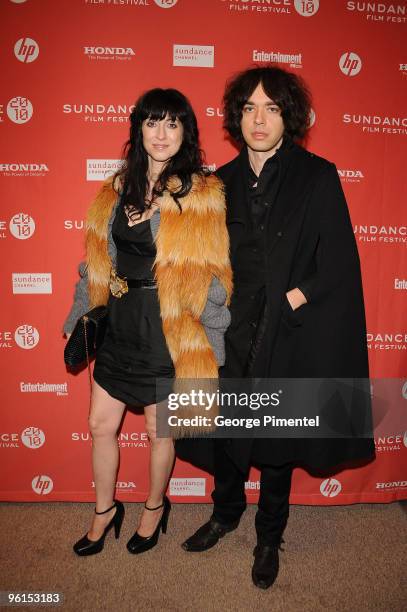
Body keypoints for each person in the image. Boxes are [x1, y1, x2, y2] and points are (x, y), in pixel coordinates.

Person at [182, 66, 375, 589]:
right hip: (228, 329)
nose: (258, 119)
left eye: (270, 108)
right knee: (224, 429)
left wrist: (294, 297)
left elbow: (337, 263)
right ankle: (225, 514)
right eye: (248, 108)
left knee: (274, 439)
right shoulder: (217, 184)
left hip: (287, 327)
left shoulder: (318, 175)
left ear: (288, 115)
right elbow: (198, 260)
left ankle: (270, 535)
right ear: (236, 118)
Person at [64, 88, 232, 557]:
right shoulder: (117, 188)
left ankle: (154, 508)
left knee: (160, 429)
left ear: (186, 133)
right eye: (152, 122)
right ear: (139, 129)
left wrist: (165, 211)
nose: (161, 133)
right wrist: (82, 311)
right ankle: (104, 510)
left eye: (172, 124)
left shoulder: (203, 193)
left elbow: (213, 272)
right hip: (121, 321)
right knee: (100, 424)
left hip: (167, 325)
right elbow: (98, 260)